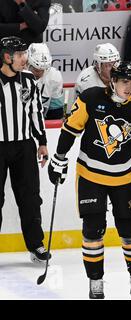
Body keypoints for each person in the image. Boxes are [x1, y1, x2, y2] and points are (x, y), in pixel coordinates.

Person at [48, 61, 131, 299]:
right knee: (93, 231)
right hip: (90, 176)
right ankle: (95, 281)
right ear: (112, 81)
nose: (128, 87)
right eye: (124, 82)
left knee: (130, 230)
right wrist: (59, 158)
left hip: (123, 177)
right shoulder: (91, 98)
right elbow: (70, 129)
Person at [0, 36, 49, 263]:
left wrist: (42, 142)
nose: (24, 59)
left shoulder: (29, 80)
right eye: (19, 55)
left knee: (30, 197)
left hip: (23, 146)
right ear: (6, 57)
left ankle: (36, 245)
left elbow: (35, 112)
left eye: (24, 54)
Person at [27, 43, 64, 119]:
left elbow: (56, 111)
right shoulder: (18, 73)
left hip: (43, 120)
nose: (41, 73)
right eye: (37, 70)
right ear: (28, 63)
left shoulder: (54, 76)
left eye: (44, 69)